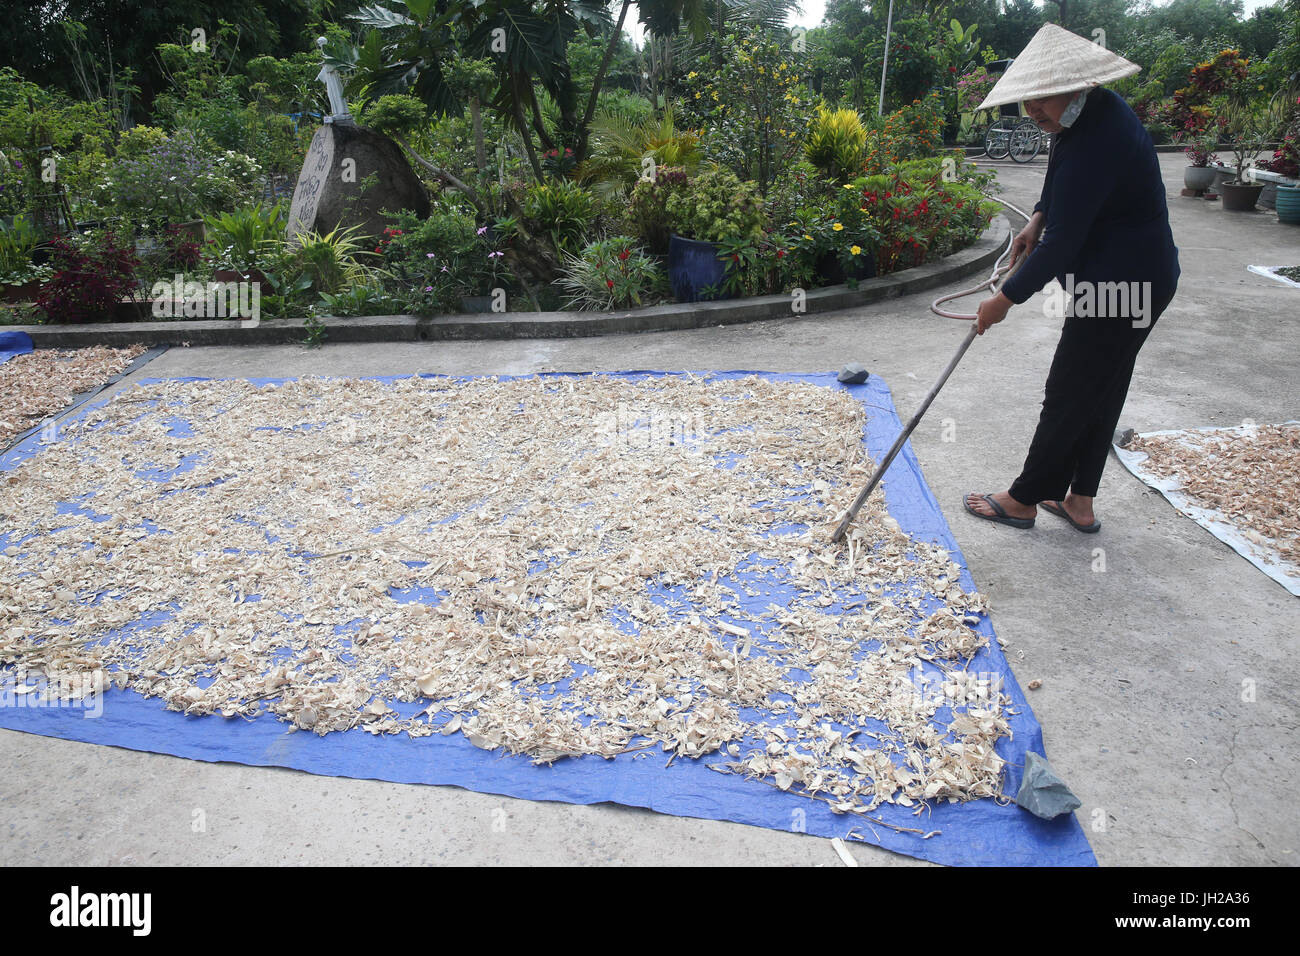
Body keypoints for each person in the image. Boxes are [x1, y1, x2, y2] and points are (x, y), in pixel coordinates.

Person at [962, 24, 1180, 533]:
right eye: (1026, 101)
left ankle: (1024, 500)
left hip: (1122, 286)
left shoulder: (1097, 136)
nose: (1032, 110)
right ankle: (1078, 501)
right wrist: (1036, 218)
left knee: (1070, 387)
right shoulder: (1082, 118)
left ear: (1075, 84)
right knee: (1101, 386)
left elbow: (1064, 246)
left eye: (1041, 99)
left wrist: (1005, 298)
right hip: (1138, 274)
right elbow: (1058, 182)